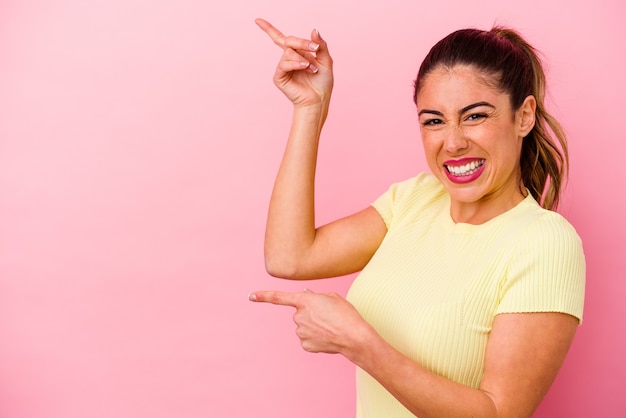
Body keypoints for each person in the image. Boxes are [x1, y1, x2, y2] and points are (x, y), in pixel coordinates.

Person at [249, 18, 585, 418]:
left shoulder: (544, 243)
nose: (454, 142)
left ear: (524, 116)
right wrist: (310, 108)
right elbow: (289, 257)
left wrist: (360, 343)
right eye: (434, 121)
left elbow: (500, 412)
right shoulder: (415, 199)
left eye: (475, 116)